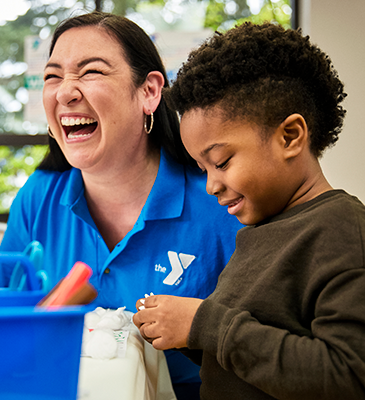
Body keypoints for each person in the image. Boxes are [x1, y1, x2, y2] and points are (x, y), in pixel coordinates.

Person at [0, 12, 242, 399]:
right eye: (52, 76)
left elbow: (260, 347)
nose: (64, 93)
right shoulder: (38, 196)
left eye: (90, 72)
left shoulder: (218, 200)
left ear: (149, 93)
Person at [133, 21, 365, 399]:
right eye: (202, 169)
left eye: (221, 162)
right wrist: (187, 335)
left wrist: (204, 323)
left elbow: (348, 375)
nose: (211, 185)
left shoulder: (340, 229)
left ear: (290, 136)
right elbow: (254, 359)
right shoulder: (257, 234)